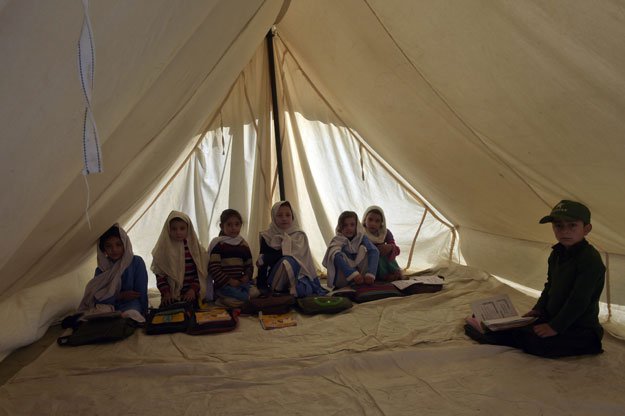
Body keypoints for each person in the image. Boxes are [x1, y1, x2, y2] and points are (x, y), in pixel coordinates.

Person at [465, 200, 606, 358]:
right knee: (514, 329)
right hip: (552, 317)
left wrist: (555, 327)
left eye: (572, 225)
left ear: (586, 229)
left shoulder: (590, 260)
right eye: (558, 225)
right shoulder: (557, 253)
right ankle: (488, 328)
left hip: (580, 329)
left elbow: (579, 300)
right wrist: (538, 309)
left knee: (534, 342)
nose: (565, 231)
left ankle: (489, 333)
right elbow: (550, 285)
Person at [256, 201, 326, 297]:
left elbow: (304, 261)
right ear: (273, 217)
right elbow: (262, 263)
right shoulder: (267, 236)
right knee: (287, 261)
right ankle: (281, 290)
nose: (284, 218)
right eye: (279, 215)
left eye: (288, 215)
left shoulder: (299, 235)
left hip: (299, 275)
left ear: (293, 216)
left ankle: (290, 291)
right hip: (277, 278)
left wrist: (266, 258)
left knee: (305, 290)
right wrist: (261, 286)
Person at [77, 224, 148, 320]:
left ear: (125, 244)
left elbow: (140, 293)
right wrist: (120, 296)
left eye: (118, 245)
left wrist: (145, 312)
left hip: (131, 304)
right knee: (95, 315)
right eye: (108, 246)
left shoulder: (136, 262)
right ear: (103, 249)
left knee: (131, 314)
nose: (114, 249)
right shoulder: (102, 269)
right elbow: (97, 298)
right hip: (108, 305)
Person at [151, 211, 209, 308]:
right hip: (170, 296)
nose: (178, 232)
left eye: (182, 228)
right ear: (168, 229)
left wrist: (192, 290)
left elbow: (200, 273)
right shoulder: (163, 250)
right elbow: (160, 275)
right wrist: (166, 293)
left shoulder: (196, 249)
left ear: (188, 228)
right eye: (174, 229)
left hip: (191, 295)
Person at [208, 209, 259, 305]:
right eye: (229, 225)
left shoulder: (243, 244)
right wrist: (229, 281)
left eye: (237, 224)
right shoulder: (218, 244)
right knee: (234, 299)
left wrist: (246, 276)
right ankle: (225, 298)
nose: (233, 228)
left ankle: (239, 298)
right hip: (224, 285)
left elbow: (249, 265)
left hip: (240, 283)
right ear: (221, 226)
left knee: (255, 292)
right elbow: (214, 268)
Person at [322, 211, 379, 289]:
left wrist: (370, 273)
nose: (349, 228)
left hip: (361, 275)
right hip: (345, 275)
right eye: (345, 225)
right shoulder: (338, 239)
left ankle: (365, 279)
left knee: (363, 249)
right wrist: (352, 274)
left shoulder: (361, 237)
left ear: (356, 226)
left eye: (352, 225)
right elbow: (335, 256)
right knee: (335, 253)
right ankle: (352, 280)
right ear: (340, 227)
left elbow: (374, 251)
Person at [362, 206, 403, 282]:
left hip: (384, 260)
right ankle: (385, 276)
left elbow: (397, 250)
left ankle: (395, 272)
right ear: (365, 220)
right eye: (370, 219)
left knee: (387, 252)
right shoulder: (360, 233)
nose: (373, 223)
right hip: (368, 263)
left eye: (377, 221)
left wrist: (390, 247)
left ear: (381, 223)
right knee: (376, 253)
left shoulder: (385, 232)